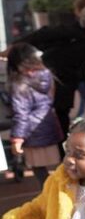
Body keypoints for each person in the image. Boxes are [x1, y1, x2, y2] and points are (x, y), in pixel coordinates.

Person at [17, 9, 85, 137]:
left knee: (62, 113)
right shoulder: (75, 34)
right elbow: (43, 35)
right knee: (54, 112)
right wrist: (17, 46)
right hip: (56, 77)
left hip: (67, 81)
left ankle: (61, 143)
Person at [6, 43, 63, 186]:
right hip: (49, 125)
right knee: (58, 166)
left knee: (39, 169)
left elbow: (21, 114)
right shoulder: (47, 75)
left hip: (32, 133)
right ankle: (62, 192)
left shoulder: (19, 84)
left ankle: (49, 196)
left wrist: (17, 139)